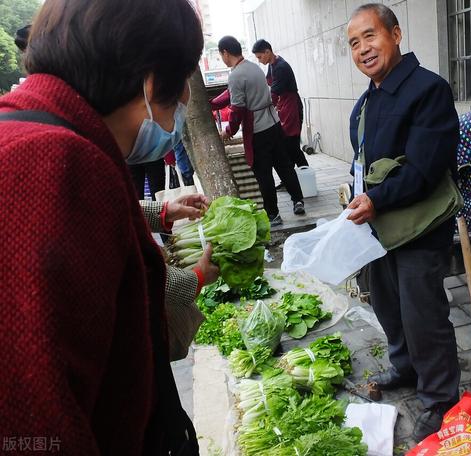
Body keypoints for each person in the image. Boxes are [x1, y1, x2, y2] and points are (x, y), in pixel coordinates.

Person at [0, 0, 218, 454]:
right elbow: (38, 422)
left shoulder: (30, 133)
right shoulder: (55, 163)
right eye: (181, 88)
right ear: (151, 80)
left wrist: (158, 215)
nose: (181, 104)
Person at [346, 3, 461, 442]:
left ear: (395, 34)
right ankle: (405, 367)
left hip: (419, 227)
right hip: (378, 227)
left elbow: (424, 169)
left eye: (369, 36)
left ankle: (440, 399)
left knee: (423, 313)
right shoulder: (367, 101)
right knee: (387, 303)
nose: (362, 49)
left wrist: (375, 199)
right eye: (354, 43)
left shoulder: (427, 89)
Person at [210, 35, 305, 226]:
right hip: (274, 123)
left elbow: (237, 108)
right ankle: (298, 200)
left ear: (225, 53)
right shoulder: (254, 67)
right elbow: (231, 94)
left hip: (259, 130)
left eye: (221, 55)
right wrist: (213, 104)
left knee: (264, 174)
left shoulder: (236, 75)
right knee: (284, 165)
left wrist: (229, 130)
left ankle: (273, 214)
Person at [252, 39, 309, 169]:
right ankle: (292, 177)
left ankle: (306, 175)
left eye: (260, 57)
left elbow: (273, 93)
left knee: (292, 146)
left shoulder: (281, 67)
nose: (259, 60)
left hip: (291, 107)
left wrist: (259, 108)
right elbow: (267, 84)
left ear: (267, 52)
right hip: (284, 106)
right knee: (286, 145)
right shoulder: (272, 65)